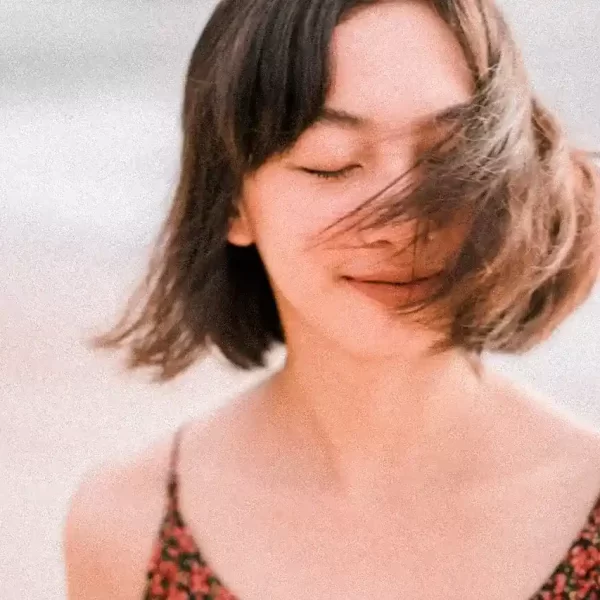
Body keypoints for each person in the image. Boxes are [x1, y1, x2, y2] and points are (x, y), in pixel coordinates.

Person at [64, 0, 600, 598]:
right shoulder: (126, 529)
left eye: (450, 158)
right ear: (232, 202)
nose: (402, 225)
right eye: (332, 164)